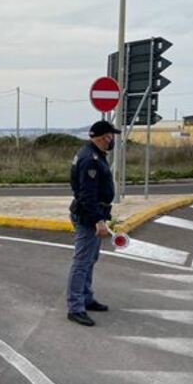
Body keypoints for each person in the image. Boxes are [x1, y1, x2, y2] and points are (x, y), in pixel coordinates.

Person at [66, 120, 121, 326]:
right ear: (102, 137)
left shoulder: (91, 153)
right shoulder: (90, 159)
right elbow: (87, 195)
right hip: (88, 216)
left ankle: (86, 298)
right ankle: (75, 307)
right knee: (81, 262)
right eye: (110, 136)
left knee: (90, 259)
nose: (112, 139)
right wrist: (98, 220)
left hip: (92, 213)